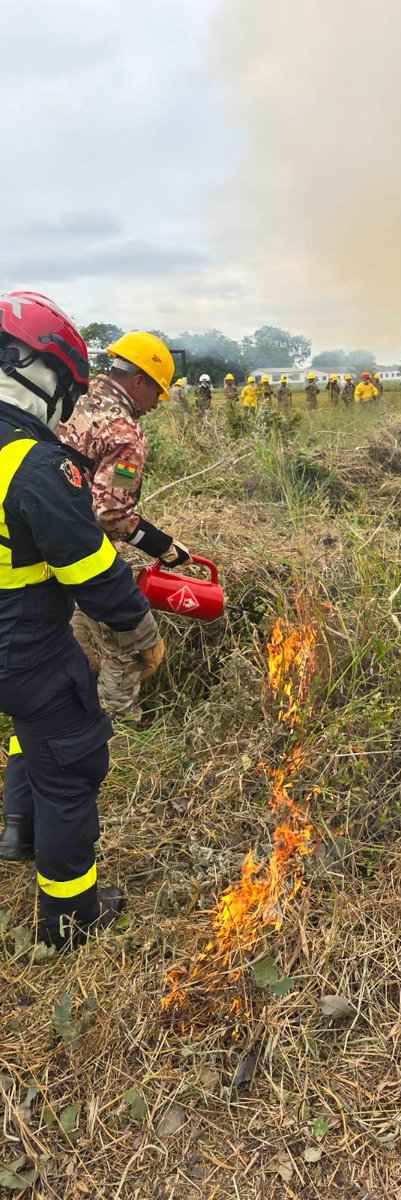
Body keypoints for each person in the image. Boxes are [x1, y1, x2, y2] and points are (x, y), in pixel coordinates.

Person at [0, 291, 165, 949]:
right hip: (26, 640)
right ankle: (70, 923)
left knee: (28, 726)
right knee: (71, 764)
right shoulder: (36, 462)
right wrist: (140, 631)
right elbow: (91, 559)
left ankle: (17, 828)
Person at [59, 332, 192, 722]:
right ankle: (119, 725)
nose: (155, 405)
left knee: (79, 634)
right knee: (135, 646)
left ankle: (70, 707)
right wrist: (162, 545)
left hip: (42, 548)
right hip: (87, 552)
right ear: (139, 382)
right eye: (157, 394)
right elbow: (110, 514)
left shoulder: (70, 398)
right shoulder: (124, 432)